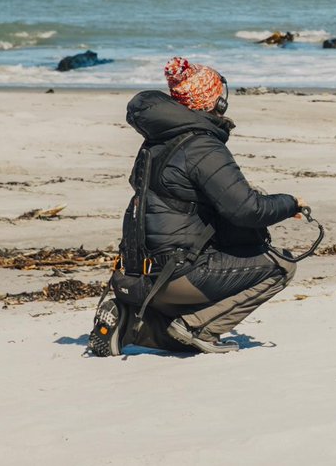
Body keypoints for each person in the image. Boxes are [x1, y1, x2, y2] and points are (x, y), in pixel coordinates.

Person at [89, 57, 306, 356]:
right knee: (281, 266)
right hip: (173, 278)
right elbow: (246, 210)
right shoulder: (202, 146)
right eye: (220, 96)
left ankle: (129, 322)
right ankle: (197, 327)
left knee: (216, 252)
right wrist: (289, 203)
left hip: (134, 274)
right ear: (213, 103)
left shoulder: (156, 142)